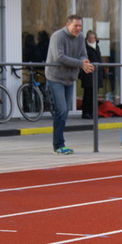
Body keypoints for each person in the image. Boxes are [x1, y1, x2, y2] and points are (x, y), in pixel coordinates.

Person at [44, 15, 95, 155]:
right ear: (68, 25)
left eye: (80, 26)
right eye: (75, 26)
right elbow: (58, 57)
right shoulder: (57, 36)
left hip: (70, 78)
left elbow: (83, 55)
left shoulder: (80, 37)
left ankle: (60, 143)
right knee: (61, 109)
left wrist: (84, 62)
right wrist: (80, 64)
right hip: (55, 77)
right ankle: (58, 145)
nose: (78, 29)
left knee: (65, 111)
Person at [79, 30, 103, 119]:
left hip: (96, 74)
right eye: (90, 37)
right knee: (87, 94)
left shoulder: (97, 47)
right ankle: (85, 113)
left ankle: (92, 112)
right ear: (87, 38)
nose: (91, 39)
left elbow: (99, 60)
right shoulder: (84, 48)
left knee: (94, 95)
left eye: (93, 37)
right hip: (88, 74)